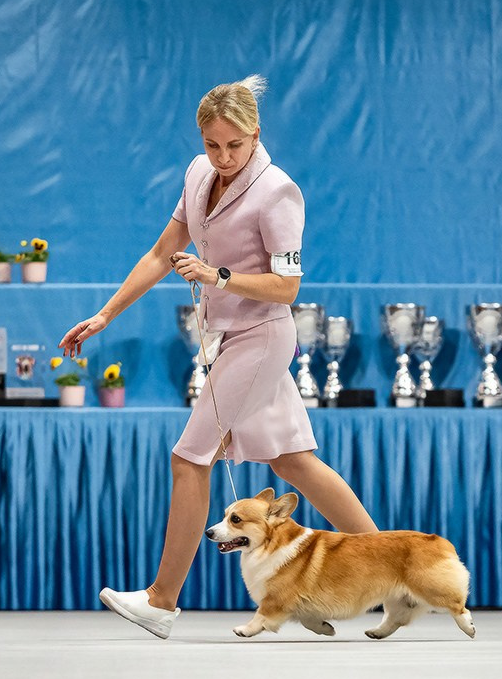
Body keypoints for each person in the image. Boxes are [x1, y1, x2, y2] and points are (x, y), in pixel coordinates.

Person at [58, 74, 378, 639]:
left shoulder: (278, 191)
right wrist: (105, 315)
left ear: (257, 134)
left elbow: (289, 288)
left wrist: (218, 276)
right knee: (293, 463)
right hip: (229, 337)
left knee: (190, 458)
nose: (224, 156)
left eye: (236, 144)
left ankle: (160, 601)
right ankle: (389, 572)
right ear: (201, 139)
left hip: (262, 338)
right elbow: (162, 253)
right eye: (213, 144)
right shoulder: (198, 174)